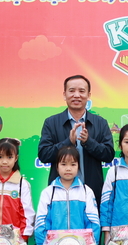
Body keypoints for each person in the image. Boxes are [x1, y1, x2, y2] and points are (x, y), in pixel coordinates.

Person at [37, 74, 115, 203]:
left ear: (88, 95)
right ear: (64, 95)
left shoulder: (100, 123)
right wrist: (68, 143)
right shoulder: (51, 122)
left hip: (91, 193)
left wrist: (88, 142)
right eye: (72, 91)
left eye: (82, 91)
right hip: (59, 195)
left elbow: (109, 155)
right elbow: (44, 155)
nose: (77, 95)